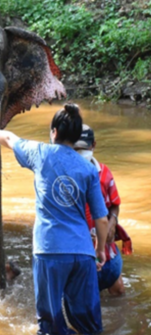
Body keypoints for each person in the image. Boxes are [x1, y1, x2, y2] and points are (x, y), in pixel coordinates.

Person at [0, 103, 109, 335]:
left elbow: (8, 137)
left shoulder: (40, 153)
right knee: (90, 328)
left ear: (54, 133)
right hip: (82, 253)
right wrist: (99, 251)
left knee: (50, 328)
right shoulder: (88, 169)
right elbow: (101, 219)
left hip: (49, 250)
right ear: (77, 136)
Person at [74, 124, 132, 296]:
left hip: (104, 243)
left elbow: (115, 203)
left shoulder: (104, 174)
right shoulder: (68, 177)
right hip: (80, 246)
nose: (80, 153)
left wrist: (113, 220)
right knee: (85, 294)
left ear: (93, 146)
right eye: (76, 148)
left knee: (118, 289)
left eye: (83, 148)